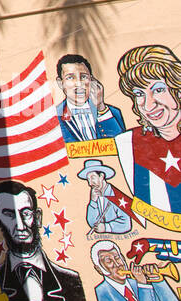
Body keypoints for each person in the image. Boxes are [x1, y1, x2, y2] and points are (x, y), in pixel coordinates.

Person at [0, 179, 86, 301]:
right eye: (9, 215)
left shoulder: (71, 280)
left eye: (26, 214)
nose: (20, 226)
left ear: (38, 217)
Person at [115, 45, 181, 219]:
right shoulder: (128, 143)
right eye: (139, 94)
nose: (148, 104)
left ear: (178, 90)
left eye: (158, 90)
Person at [55, 54, 124, 143]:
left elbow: (122, 144)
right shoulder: (55, 117)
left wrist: (101, 108)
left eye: (83, 77)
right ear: (60, 83)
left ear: (92, 80)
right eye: (70, 78)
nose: (79, 84)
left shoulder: (112, 113)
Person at [90, 240, 179, 301]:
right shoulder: (101, 292)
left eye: (117, 258)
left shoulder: (134, 282)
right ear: (99, 269)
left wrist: (157, 280)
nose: (117, 264)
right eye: (108, 261)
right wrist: (143, 285)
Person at [77, 158, 133, 237]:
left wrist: (107, 227)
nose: (90, 183)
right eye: (88, 179)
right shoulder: (95, 195)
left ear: (101, 176)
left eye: (92, 178)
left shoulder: (115, 195)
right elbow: (93, 224)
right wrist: (93, 202)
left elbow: (126, 224)